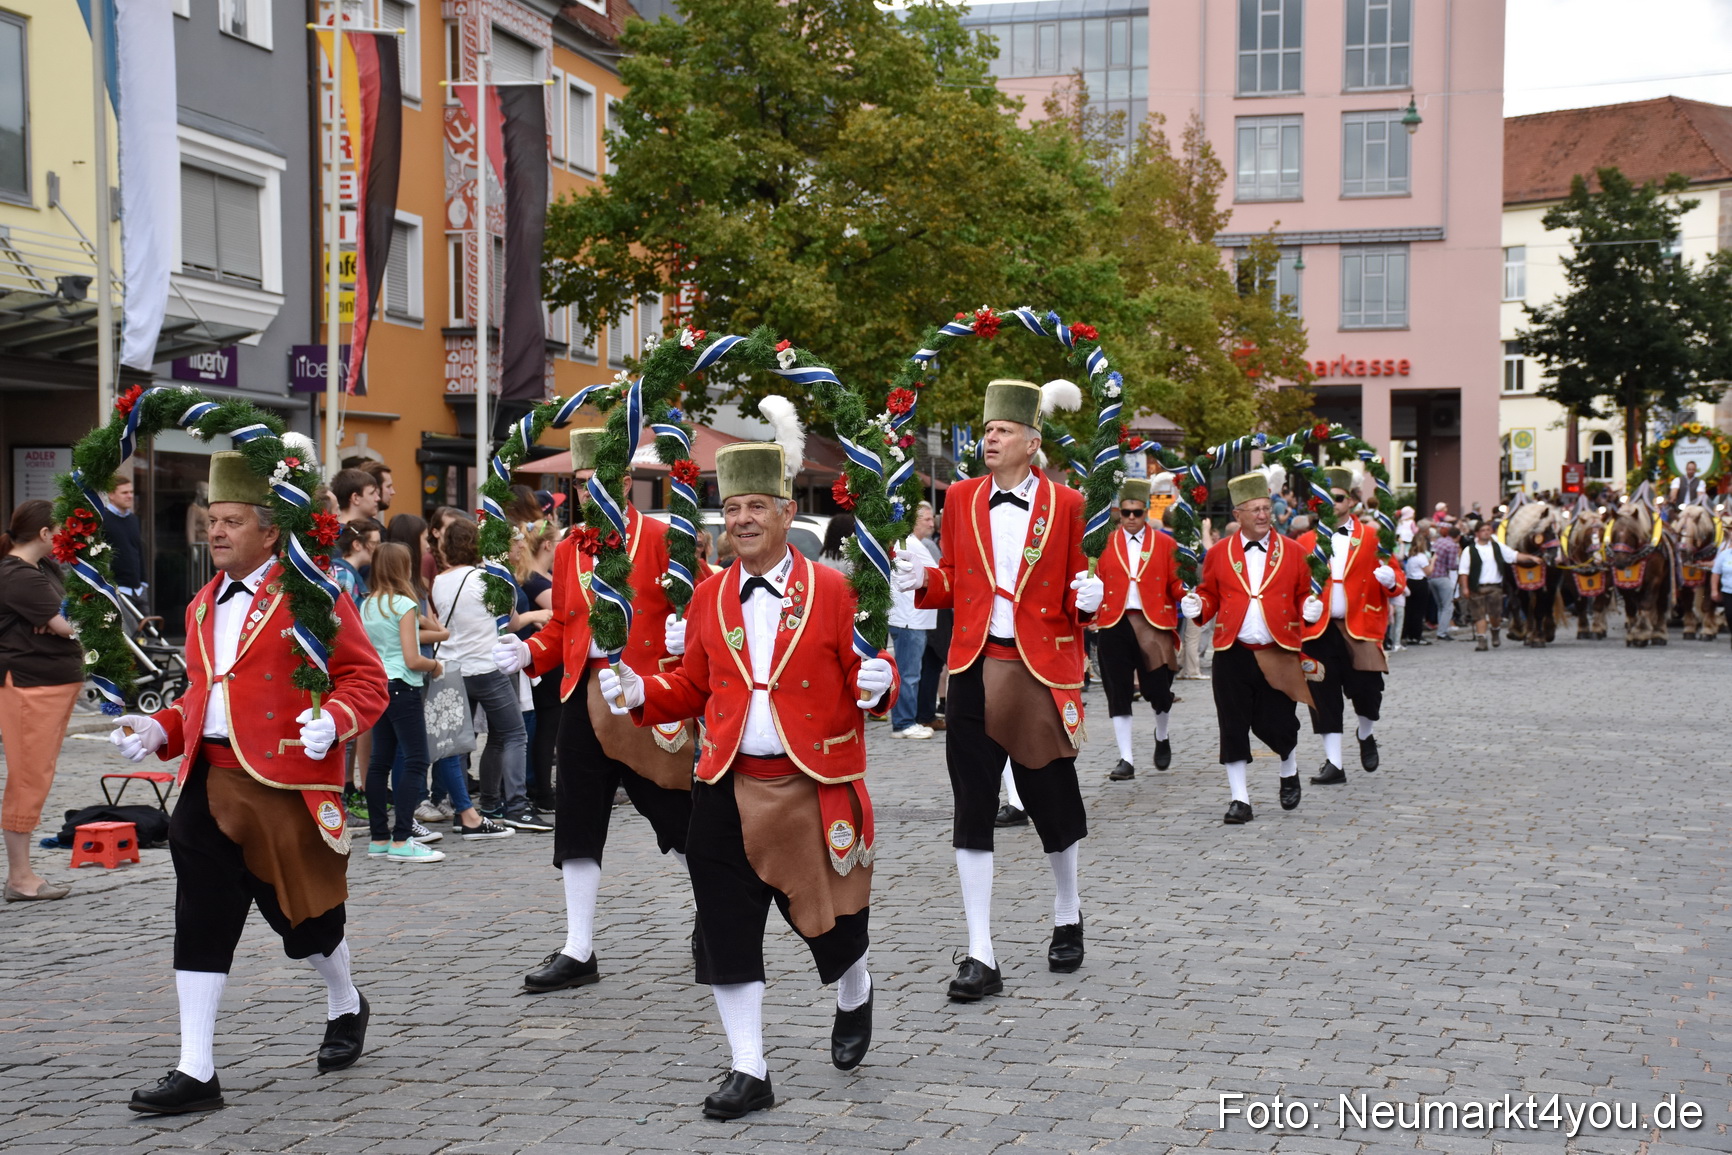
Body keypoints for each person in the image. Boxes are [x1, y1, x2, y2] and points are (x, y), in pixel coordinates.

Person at [598, 404, 895, 1120]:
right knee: (724, 926)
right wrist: (644, 691)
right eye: (731, 508)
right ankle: (748, 1066)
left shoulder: (834, 589)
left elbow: (870, 669)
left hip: (813, 783)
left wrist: (881, 679)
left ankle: (854, 990)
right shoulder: (707, 597)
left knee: (835, 925)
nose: (742, 519)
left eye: (756, 506)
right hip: (726, 782)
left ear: (787, 511)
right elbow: (694, 686)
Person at [109, 450, 388, 1114]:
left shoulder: (312, 593)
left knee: (306, 920)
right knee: (200, 915)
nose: (217, 531)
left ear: (269, 529)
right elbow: (205, 695)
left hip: (284, 783)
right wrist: (161, 729)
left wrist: (338, 719)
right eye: (213, 519)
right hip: (210, 784)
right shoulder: (204, 603)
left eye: (232, 520)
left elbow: (368, 680)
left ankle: (346, 1000)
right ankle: (196, 1069)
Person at [897, 378, 1101, 1001]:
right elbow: (956, 579)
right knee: (973, 806)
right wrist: (925, 580)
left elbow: (1077, 585)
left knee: (1053, 802)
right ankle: (980, 952)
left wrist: (1089, 600)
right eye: (987, 431)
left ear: (1031, 443)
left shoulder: (1067, 504)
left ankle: (1067, 912)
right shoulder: (960, 498)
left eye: (1002, 431)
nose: (990, 439)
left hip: (1040, 671)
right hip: (974, 666)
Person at [493, 431, 697, 995]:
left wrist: (688, 631)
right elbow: (563, 626)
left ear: (627, 482)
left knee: (676, 818)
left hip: (644, 698)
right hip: (582, 700)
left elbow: (699, 600)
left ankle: (711, 909)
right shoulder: (568, 548)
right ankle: (578, 948)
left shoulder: (661, 536)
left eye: (597, 482)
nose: (588, 493)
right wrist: (528, 651)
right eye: (580, 484)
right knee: (578, 824)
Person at [1180, 468, 1317, 825]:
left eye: (1265, 508)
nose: (1261, 515)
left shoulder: (1294, 551)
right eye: (1253, 509)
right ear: (1237, 514)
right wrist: (1198, 608)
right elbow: (1210, 594)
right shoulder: (1220, 553)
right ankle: (1240, 799)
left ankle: (1289, 766)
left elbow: (1304, 596)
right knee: (1233, 725)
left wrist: (1310, 609)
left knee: (1280, 724)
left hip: (1278, 648)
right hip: (1232, 650)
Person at [430, 517, 548, 832]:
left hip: (453, 669)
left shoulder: (440, 581)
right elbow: (510, 623)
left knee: (459, 744)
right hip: (487, 665)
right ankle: (516, 805)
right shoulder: (491, 579)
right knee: (513, 734)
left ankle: (468, 809)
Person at [1296, 467, 1403, 787]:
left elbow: (1397, 579)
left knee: (1369, 693)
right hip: (1319, 630)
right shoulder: (1305, 541)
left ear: (1352, 501)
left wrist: (1390, 581)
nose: (1331, 505)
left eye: (1337, 498)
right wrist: (1304, 607)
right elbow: (1295, 587)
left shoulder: (1373, 537)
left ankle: (1365, 733)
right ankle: (1334, 763)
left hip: (1362, 625)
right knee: (1323, 695)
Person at [0, 501, 83, 902]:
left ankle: (22, 873)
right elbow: (70, 624)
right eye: (62, 529)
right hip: (31, 685)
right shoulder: (16, 574)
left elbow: (69, 619)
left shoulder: (43, 569)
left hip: (52, 681)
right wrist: (65, 625)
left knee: (39, 774)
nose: (67, 535)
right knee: (28, 776)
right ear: (46, 534)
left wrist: (65, 624)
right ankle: (19, 877)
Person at [1093, 479, 1185, 780]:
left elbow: (1174, 583)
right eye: (1126, 512)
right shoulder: (1104, 542)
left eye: (1138, 512)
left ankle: (1162, 734)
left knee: (1158, 690)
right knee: (1117, 691)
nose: (1131, 518)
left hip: (1154, 622)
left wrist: (1187, 593)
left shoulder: (1166, 543)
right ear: (1119, 512)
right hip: (1114, 621)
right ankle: (1126, 758)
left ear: (1146, 512)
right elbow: (1093, 581)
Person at [359, 543, 445, 864]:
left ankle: (379, 836)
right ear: (403, 568)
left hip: (378, 687)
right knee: (416, 760)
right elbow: (412, 658)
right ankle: (402, 837)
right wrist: (435, 666)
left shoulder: (367, 605)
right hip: (402, 688)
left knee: (380, 762)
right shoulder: (404, 604)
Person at [512, 518, 560, 815]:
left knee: (550, 725)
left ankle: (543, 787)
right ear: (547, 545)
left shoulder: (543, 575)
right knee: (547, 725)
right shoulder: (534, 579)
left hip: (551, 656)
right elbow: (564, 607)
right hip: (544, 657)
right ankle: (541, 790)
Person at [888, 503, 937, 740]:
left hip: (913, 618)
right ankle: (904, 722)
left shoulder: (912, 544)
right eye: (926, 519)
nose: (931, 523)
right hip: (910, 619)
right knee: (909, 674)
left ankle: (906, 719)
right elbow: (933, 574)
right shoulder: (908, 545)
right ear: (913, 520)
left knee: (909, 672)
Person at [1456, 520, 1540, 652]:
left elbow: (1514, 556)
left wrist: (1532, 558)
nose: (1486, 533)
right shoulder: (1469, 550)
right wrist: (1465, 588)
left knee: (1495, 615)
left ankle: (1495, 631)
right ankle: (1482, 641)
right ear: (1477, 533)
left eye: (1488, 530)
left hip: (1495, 587)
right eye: (1483, 530)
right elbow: (1464, 571)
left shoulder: (1497, 547)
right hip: (1476, 587)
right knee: (1479, 616)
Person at [101, 475, 147, 602]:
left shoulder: (133, 519)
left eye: (131, 492)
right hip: (118, 590)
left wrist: (143, 582)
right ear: (111, 495)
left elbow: (138, 551)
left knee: (148, 622)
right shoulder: (103, 520)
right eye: (124, 492)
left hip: (139, 590)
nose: (130, 496)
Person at [1401, 529, 1434, 645]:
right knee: (1419, 611)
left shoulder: (1410, 556)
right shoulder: (1421, 556)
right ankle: (1416, 635)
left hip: (1411, 582)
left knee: (1410, 610)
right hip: (1420, 582)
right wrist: (1433, 561)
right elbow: (1428, 571)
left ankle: (1409, 634)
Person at [333, 519, 379, 600]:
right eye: (374, 543)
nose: (378, 549)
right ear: (357, 545)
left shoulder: (344, 571)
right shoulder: (345, 576)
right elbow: (341, 611)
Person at [1429, 525, 1461, 640]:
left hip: (1431, 576)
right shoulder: (1452, 545)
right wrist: (1461, 566)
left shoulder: (1439, 541)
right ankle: (1442, 632)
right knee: (1448, 606)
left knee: (1440, 606)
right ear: (1458, 536)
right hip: (1442, 576)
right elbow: (1452, 565)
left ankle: (1441, 629)